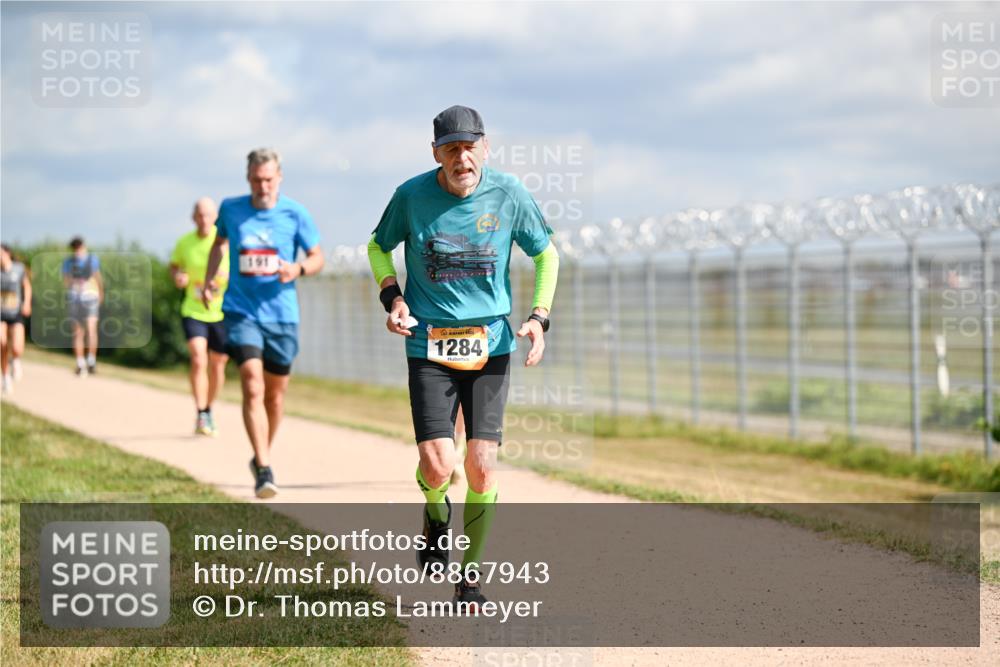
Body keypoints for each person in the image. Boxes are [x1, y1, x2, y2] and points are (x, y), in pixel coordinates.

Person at [368, 105, 559, 609]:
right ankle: (435, 515)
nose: (462, 158)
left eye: (470, 147)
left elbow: (546, 254)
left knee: (481, 466)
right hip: (428, 345)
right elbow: (377, 247)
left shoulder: (509, 193)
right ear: (436, 154)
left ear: (485, 148)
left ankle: (469, 577)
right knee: (438, 466)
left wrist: (539, 318)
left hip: (490, 345)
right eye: (450, 149)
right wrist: (393, 298)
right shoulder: (410, 196)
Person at [202, 148, 324, 498]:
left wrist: (298, 268)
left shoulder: (295, 213)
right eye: (256, 180)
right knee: (252, 385)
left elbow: (317, 257)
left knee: (275, 396)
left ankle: (260, 456)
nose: (263, 186)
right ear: (248, 178)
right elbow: (219, 244)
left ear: (279, 178)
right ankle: (266, 467)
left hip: (282, 316)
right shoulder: (231, 209)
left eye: (269, 179)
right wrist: (210, 280)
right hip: (241, 312)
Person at [170, 197, 230, 436]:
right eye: (200, 215)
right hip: (193, 309)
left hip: (221, 310)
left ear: (216, 217)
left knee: (218, 363)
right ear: (193, 217)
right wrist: (179, 277)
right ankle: (201, 412)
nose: (204, 220)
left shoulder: (225, 241)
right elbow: (174, 266)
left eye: (209, 215)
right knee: (198, 359)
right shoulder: (184, 242)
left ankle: (209, 408)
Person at [62, 237, 102, 376]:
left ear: (84, 246)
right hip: (75, 299)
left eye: (79, 247)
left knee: (91, 329)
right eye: (75, 247)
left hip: (91, 297)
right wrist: (75, 280)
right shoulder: (68, 262)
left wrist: (101, 293)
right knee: (78, 332)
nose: (77, 250)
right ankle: (80, 363)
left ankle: (91, 360)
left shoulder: (92, 260)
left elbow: (98, 277)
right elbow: (66, 281)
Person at [1, 243, 32, 394]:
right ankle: (5, 377)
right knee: (2, 343)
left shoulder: (18, 269)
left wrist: (26, 303)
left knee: (17, 348)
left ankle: (15, 360)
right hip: (1, 314)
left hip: (15, 313)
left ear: (7, 253)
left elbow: (27, 286)